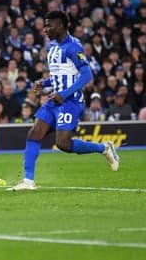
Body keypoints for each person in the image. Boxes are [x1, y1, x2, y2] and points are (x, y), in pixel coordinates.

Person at [9, 11, 119, 191]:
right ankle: (28, 181)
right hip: (55, 99)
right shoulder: (52, 46)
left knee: (63, 144)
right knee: (34, 134)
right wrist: (44, 82)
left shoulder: (73, 47)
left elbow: (87, 74)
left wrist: (65, 94)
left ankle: (104, 148)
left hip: (71, 101)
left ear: (60, 26)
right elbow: (60, 75)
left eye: (48, 25)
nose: (45, 29)